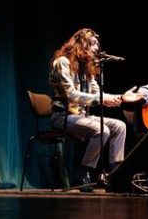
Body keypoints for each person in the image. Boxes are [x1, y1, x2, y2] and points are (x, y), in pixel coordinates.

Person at [49, 28, 126, 189]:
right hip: (63, 116)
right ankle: (84, 172)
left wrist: (121, 97)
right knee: (102, 130)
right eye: (92, 44)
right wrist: (101, 99)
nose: (97, 48)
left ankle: (116, 174)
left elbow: (98, 93)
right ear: (81, 45)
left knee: (120, 126)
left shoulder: (87, 69)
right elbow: (70, 94)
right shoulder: (63, 62)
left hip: (82, 116)